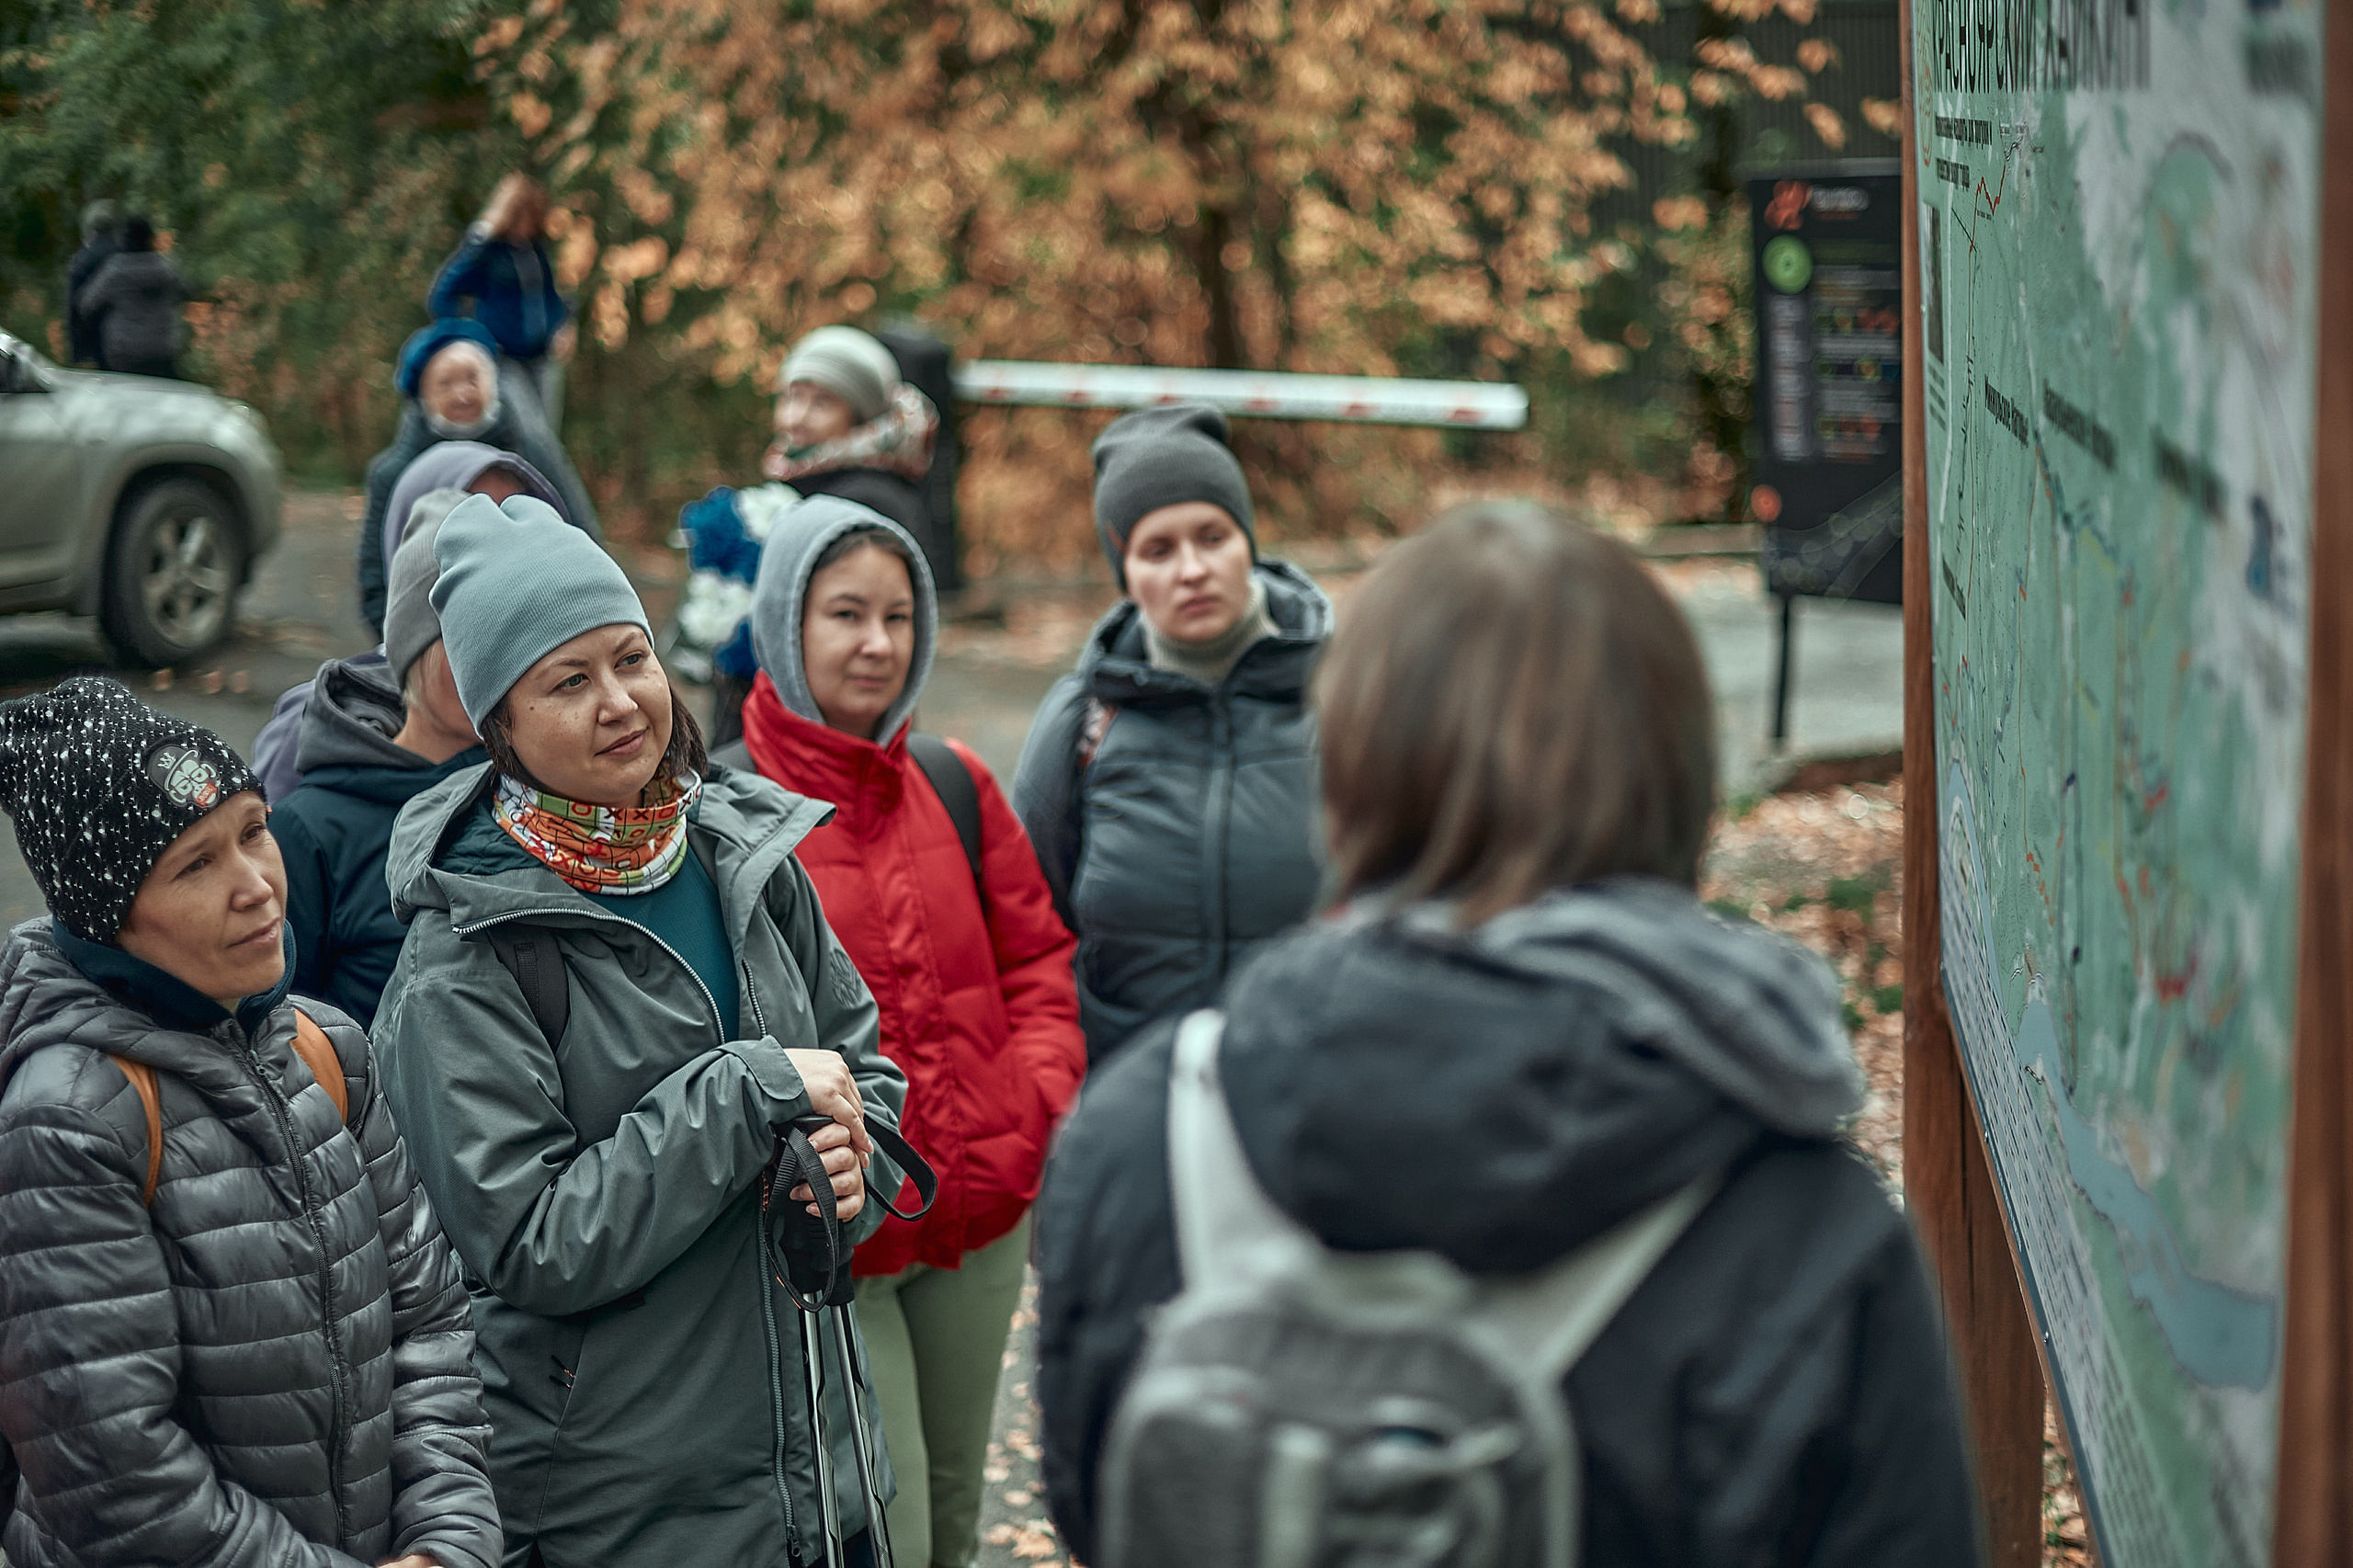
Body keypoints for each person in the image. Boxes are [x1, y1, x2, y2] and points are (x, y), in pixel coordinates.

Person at [1031, 504, 1982, 1567]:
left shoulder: (1141, 1132)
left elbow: (1094, 1500)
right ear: (1678, 776)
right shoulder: (1803, 1229)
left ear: (1341, 764)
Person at [371, 493, 909, 1566]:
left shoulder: (736, 851)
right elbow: (531, 1243)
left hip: (822, 1469)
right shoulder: (466, 955)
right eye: (567, 681)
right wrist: (741, 1094)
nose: (619, 702)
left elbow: (863, 1066)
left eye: (632, 658)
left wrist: (854, 1174)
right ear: (500, 726)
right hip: (629, 1511)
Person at [0, 676, 502, 1568]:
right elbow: (118, 1475)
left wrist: (445, 1544)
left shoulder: (324, 1047)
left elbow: (429, 1321)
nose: (257, 884)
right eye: (195, 864)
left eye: (253, 830)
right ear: (109, 917)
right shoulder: (69, 1121)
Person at [735, 496, 1086, 1568]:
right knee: (889, 1533)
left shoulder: (953, 780)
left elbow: (1040, 960)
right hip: (843, 1243)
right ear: (785, 624)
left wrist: (1031, 1108)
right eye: (845, 612)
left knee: (957, 1516)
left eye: (897, 615)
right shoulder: (728, 805)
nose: (877, 643)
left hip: (978, 1228)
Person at [1010, 402, 1329, 1060]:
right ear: (1124, 573)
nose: (1191, 569)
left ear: (1248, 542)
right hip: (1136, 1103)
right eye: (1158, 549)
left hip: (1315, 1096)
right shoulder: (1082, 723)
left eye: (1213, 537)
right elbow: (1030, 937)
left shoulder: (1348, 695)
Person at [272, 502, 485, 1027]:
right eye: (454, 629)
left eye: (503, 630)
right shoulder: (310, 829)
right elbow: (274, 1031)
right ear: (409, 644)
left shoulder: (535, 791)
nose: (481, 653)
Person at [357, 322, 598, 633]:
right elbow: (376, 580)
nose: (462, 394)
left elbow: (581, 532)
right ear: (423, 397)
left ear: (493, 385)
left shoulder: (533, 451)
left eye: (473, 378)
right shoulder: (393, 473)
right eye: (446, 384)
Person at [427, 175, 573, 429]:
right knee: (528, 428)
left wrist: (563, 324)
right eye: (521, 217)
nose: (525, 225)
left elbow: (552, 296)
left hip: (542, 356)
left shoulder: (537, 251)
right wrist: (470, 334)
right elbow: (442, 296)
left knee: (547, 432)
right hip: (505, 358)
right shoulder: (487, 252)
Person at [75, 214, 189, 380]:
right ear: (151, 238)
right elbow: (185, 292)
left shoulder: (116, 271)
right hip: (162, 351)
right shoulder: (166, 269)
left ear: (124, 238)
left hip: (124, 354)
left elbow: (86, 304)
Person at [65, 199, 121, 367]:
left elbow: (74, 310)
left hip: (93, 344)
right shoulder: (125, 255)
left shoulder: (82, 260)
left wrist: (78, 354)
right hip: (125, 345)